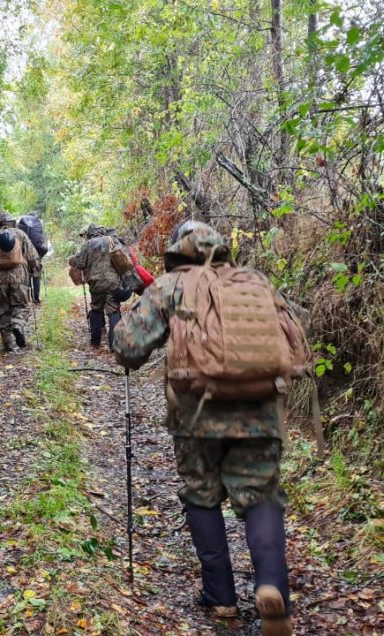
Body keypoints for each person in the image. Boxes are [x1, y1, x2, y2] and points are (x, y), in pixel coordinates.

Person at [111, 220, 306, 636]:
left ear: (176, 252)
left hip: (195, 415)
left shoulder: (170, 286)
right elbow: (292, 336)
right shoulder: (255, 281)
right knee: (261, 493)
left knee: (201, 494)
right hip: (259, 410)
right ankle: (273, 587)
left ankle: (221, 598)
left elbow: (128, 347)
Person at [0, 212, 40, 352]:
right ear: (13, 222)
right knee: (21, 306)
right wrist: (35, 271)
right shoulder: (21, 235)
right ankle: (18, 324)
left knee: (3, 308)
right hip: (19, 276)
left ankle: (8, 343)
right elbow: (33, 257)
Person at [68, 223, 134, 350]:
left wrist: (71, 259)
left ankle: (95, 343)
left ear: (90, 233)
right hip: (113, 283)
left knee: (96, 310)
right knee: (113, 311)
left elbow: (79, 263)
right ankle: (114, 345)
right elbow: (126, 257)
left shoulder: (87, 245)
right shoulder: (112, 240)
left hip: (95, 284)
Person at [18, 211, 50, 304]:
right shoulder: (38, 225)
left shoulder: (21, 224)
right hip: (37, 255)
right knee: (36, 276)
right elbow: (43, 242)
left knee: (27, 276)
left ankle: (28, 298)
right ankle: (36, 298)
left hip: (24, 255)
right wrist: (41, 255)